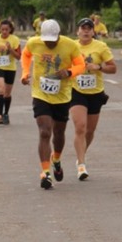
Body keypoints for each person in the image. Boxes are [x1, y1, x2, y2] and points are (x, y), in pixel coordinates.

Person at [20, 19, 84, 189]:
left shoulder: (70, 45)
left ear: (58, 36)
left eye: (52, 41)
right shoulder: (34, 43)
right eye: (46, 41)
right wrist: (25, 73)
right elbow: (25, 55)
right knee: (45, 132)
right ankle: (45, 173)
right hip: (40, 94)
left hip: (62, 95)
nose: (49, 44)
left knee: (59, 132)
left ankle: (56, 159)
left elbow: (81, 65)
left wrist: (69, 72)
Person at [70, 17, 117, 180]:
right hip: (76, 91)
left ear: (93, 31)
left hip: (96, 93)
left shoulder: (100, 47)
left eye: (89, 28)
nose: (86, 31)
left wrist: (98, 67)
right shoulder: (71, 46)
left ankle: (81, 155)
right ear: (77, 31)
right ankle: (81, 166)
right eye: (83, 28)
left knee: (89, 131)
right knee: (80, 127)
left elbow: (113, 68)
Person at [0, 19, 21, 125]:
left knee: (7, 93)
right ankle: (0, 114)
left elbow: (18, 56)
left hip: (10, 68)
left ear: (10, 29)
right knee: (1, 90)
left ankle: (6, 113)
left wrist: (10, 49)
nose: (4, 31)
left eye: (7, 29)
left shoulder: (15, 39)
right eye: (2, 29)